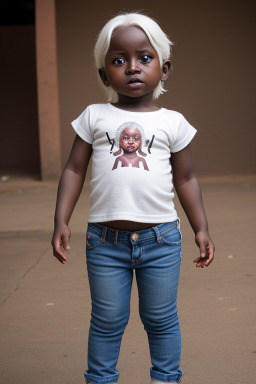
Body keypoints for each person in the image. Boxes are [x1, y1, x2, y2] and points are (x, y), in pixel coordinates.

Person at [51, 12, 215, 384]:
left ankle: (165, 378)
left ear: (164, 68)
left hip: (162, 240)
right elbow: (74, 170)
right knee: (108, 320)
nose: (133, 68)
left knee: (160, 319)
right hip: (104, 242)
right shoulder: (94, 116)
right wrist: (61, 219)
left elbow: (186, 178)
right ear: (104, 74)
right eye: (119, 60)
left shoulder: (172, 122)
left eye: (144, 57)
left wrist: (200, 227)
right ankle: (101, 379)